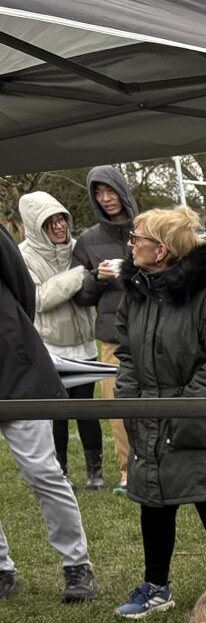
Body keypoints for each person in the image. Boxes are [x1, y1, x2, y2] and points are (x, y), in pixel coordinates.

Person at [111, 206, 206, 620]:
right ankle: (155, 586)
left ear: (160, 250)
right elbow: (126, 354)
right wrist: (129, 401)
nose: (130, 244)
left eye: (136, 237)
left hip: (198, 417)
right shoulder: (137, 291)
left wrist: (186, 404)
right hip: (150, 414)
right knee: (153, 503)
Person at [0, 223, 97, 603]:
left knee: (42, 470)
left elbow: (23, 289)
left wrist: (9, 333)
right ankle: (2, 569)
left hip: (16, 368)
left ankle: (78, 567)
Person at [17, 192, 103, 488]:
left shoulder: (79, 248)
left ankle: (96, 472)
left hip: (85, 344)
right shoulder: (23, 255)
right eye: (50, 222)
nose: (59, 227)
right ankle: (61, 470)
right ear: (35, 225)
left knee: (86, 411)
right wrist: (79, 275)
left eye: (61, 219)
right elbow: (39, 298)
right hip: (50, 349)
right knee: (57, 415)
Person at [69, 165, 136, 493]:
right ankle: (127, 472)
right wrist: (97, 278)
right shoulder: (88, 240)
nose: (105, 198)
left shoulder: (148, 227)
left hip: (155, 330)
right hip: (112, 337)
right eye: (98, 192)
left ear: (122, 190)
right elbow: (80, 295)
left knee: (162, 401)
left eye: (109, 190)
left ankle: (163, 464)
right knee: (118, 408)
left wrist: (133, 270)